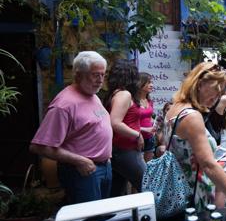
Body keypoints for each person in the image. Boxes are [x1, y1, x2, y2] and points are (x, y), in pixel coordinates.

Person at [163, 62, 226, 218]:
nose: (217, 96)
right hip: (194, 194)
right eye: (215, 89)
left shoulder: (176, 107)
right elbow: (208, 165)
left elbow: (186, 153)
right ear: (200, 84)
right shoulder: (192, 117)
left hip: (178, 188)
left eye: (221, 91)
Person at [30, 51, 112, 204]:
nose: (100, 80)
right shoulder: (64, 104)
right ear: (79, 75)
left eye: (103, 75)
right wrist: (80, 161)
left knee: (101, 219)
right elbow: (39, 146)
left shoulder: (92, 94)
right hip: (82, 171)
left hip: (102, 167)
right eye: (95, 75)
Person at [103, 59, 146, 197]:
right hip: (126, 151)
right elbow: (115, 122)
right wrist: (137, 135)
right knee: (149, 187)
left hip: (118, 150)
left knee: (116, 193)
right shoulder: (124, 94)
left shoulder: (115, 93)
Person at [137, 72, 157, 162]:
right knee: (140, 169)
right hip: (138, 137)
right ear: (141, 83)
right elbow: (129, 123)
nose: (151, 85)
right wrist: (144, 129)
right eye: (148, 82)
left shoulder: (149, 101)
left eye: (151, 82)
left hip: (150, 138)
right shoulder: (133, 101)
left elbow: (148, 118)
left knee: (149, 168)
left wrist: (154, 123)